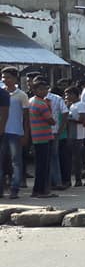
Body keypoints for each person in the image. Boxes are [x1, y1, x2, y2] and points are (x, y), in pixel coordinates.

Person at [1, 67, 29, 196]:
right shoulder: (1, 93)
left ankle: (14, 188)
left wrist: (25, 134)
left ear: (15, 78)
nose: (5, 79)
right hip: (2, 132)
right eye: (3, 77)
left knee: (16, 162)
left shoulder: (21, 95)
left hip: (16, 132)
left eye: (8, 77)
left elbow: (26, 117)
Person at [28, 80, 57, 198]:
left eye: (45, 89)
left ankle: (39, 190)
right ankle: (41, 191)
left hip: (36, 135)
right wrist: (49, 106)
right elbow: (52, 121)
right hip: (43, 136)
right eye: (41, 89)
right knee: (43, 165)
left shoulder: (31, 101)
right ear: (34, 90)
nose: (44, 91)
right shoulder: (41, 104)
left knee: (40, 164)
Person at [41, 78, 69, 191]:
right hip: (40, 132)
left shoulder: (56, 99)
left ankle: (56, 182)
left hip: (54, 132)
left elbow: (65, 112)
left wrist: (61, 129)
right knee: (44, 158)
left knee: (53, 157)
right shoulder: (35, 100)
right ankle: (47, 182)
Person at [65, 87, 85, 187]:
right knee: (71, 157)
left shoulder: (81, 105)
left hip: (78, 135)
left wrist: (70, 120)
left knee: (76, 158)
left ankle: (78, 179)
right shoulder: (71, 105)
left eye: (69, 95)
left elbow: (82, 119)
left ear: (75, 95)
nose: (67, 97)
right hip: (71, 134)